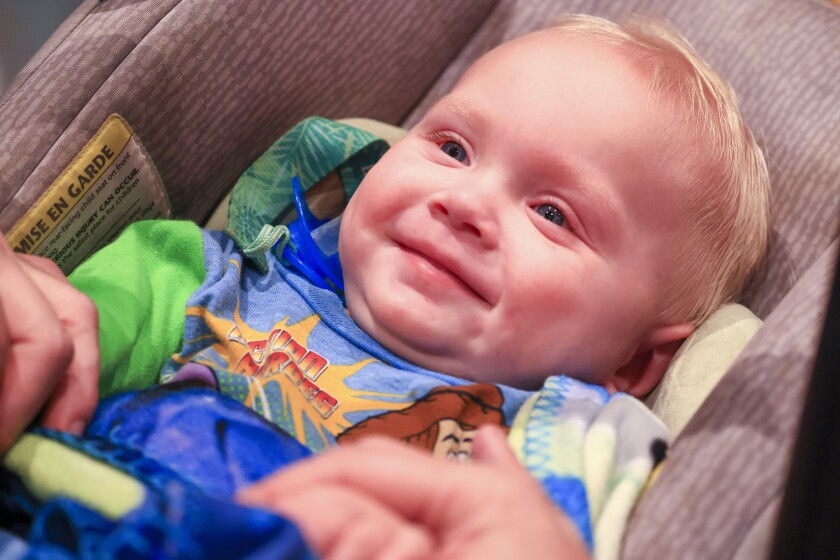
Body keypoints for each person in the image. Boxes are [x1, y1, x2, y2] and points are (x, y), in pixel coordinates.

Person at [0, 14, 770, 560]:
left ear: (633, 367)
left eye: (552, 213)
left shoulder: (582, 445)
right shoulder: (195, 275)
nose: (463, 203)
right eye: (453, 147)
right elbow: (38, 360)